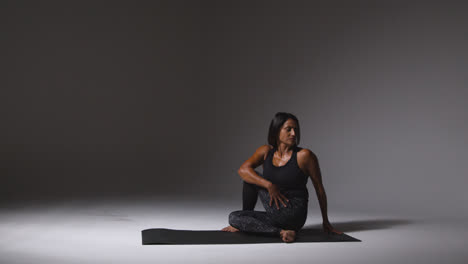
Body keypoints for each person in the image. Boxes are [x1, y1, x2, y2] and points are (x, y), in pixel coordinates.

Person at [221, 112, 342, 243]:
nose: (293, 134)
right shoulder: (266, 151)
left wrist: (326, 221)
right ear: (276, 130)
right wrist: (269, 185)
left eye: (296, 129)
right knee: (234, 217)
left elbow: (319, 188)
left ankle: (256, 226)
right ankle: (279, 231)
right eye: (288, 129)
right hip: (276, 211)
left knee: (252, 180)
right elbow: (243, 170)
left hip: (294, 213)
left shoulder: (304, 155)